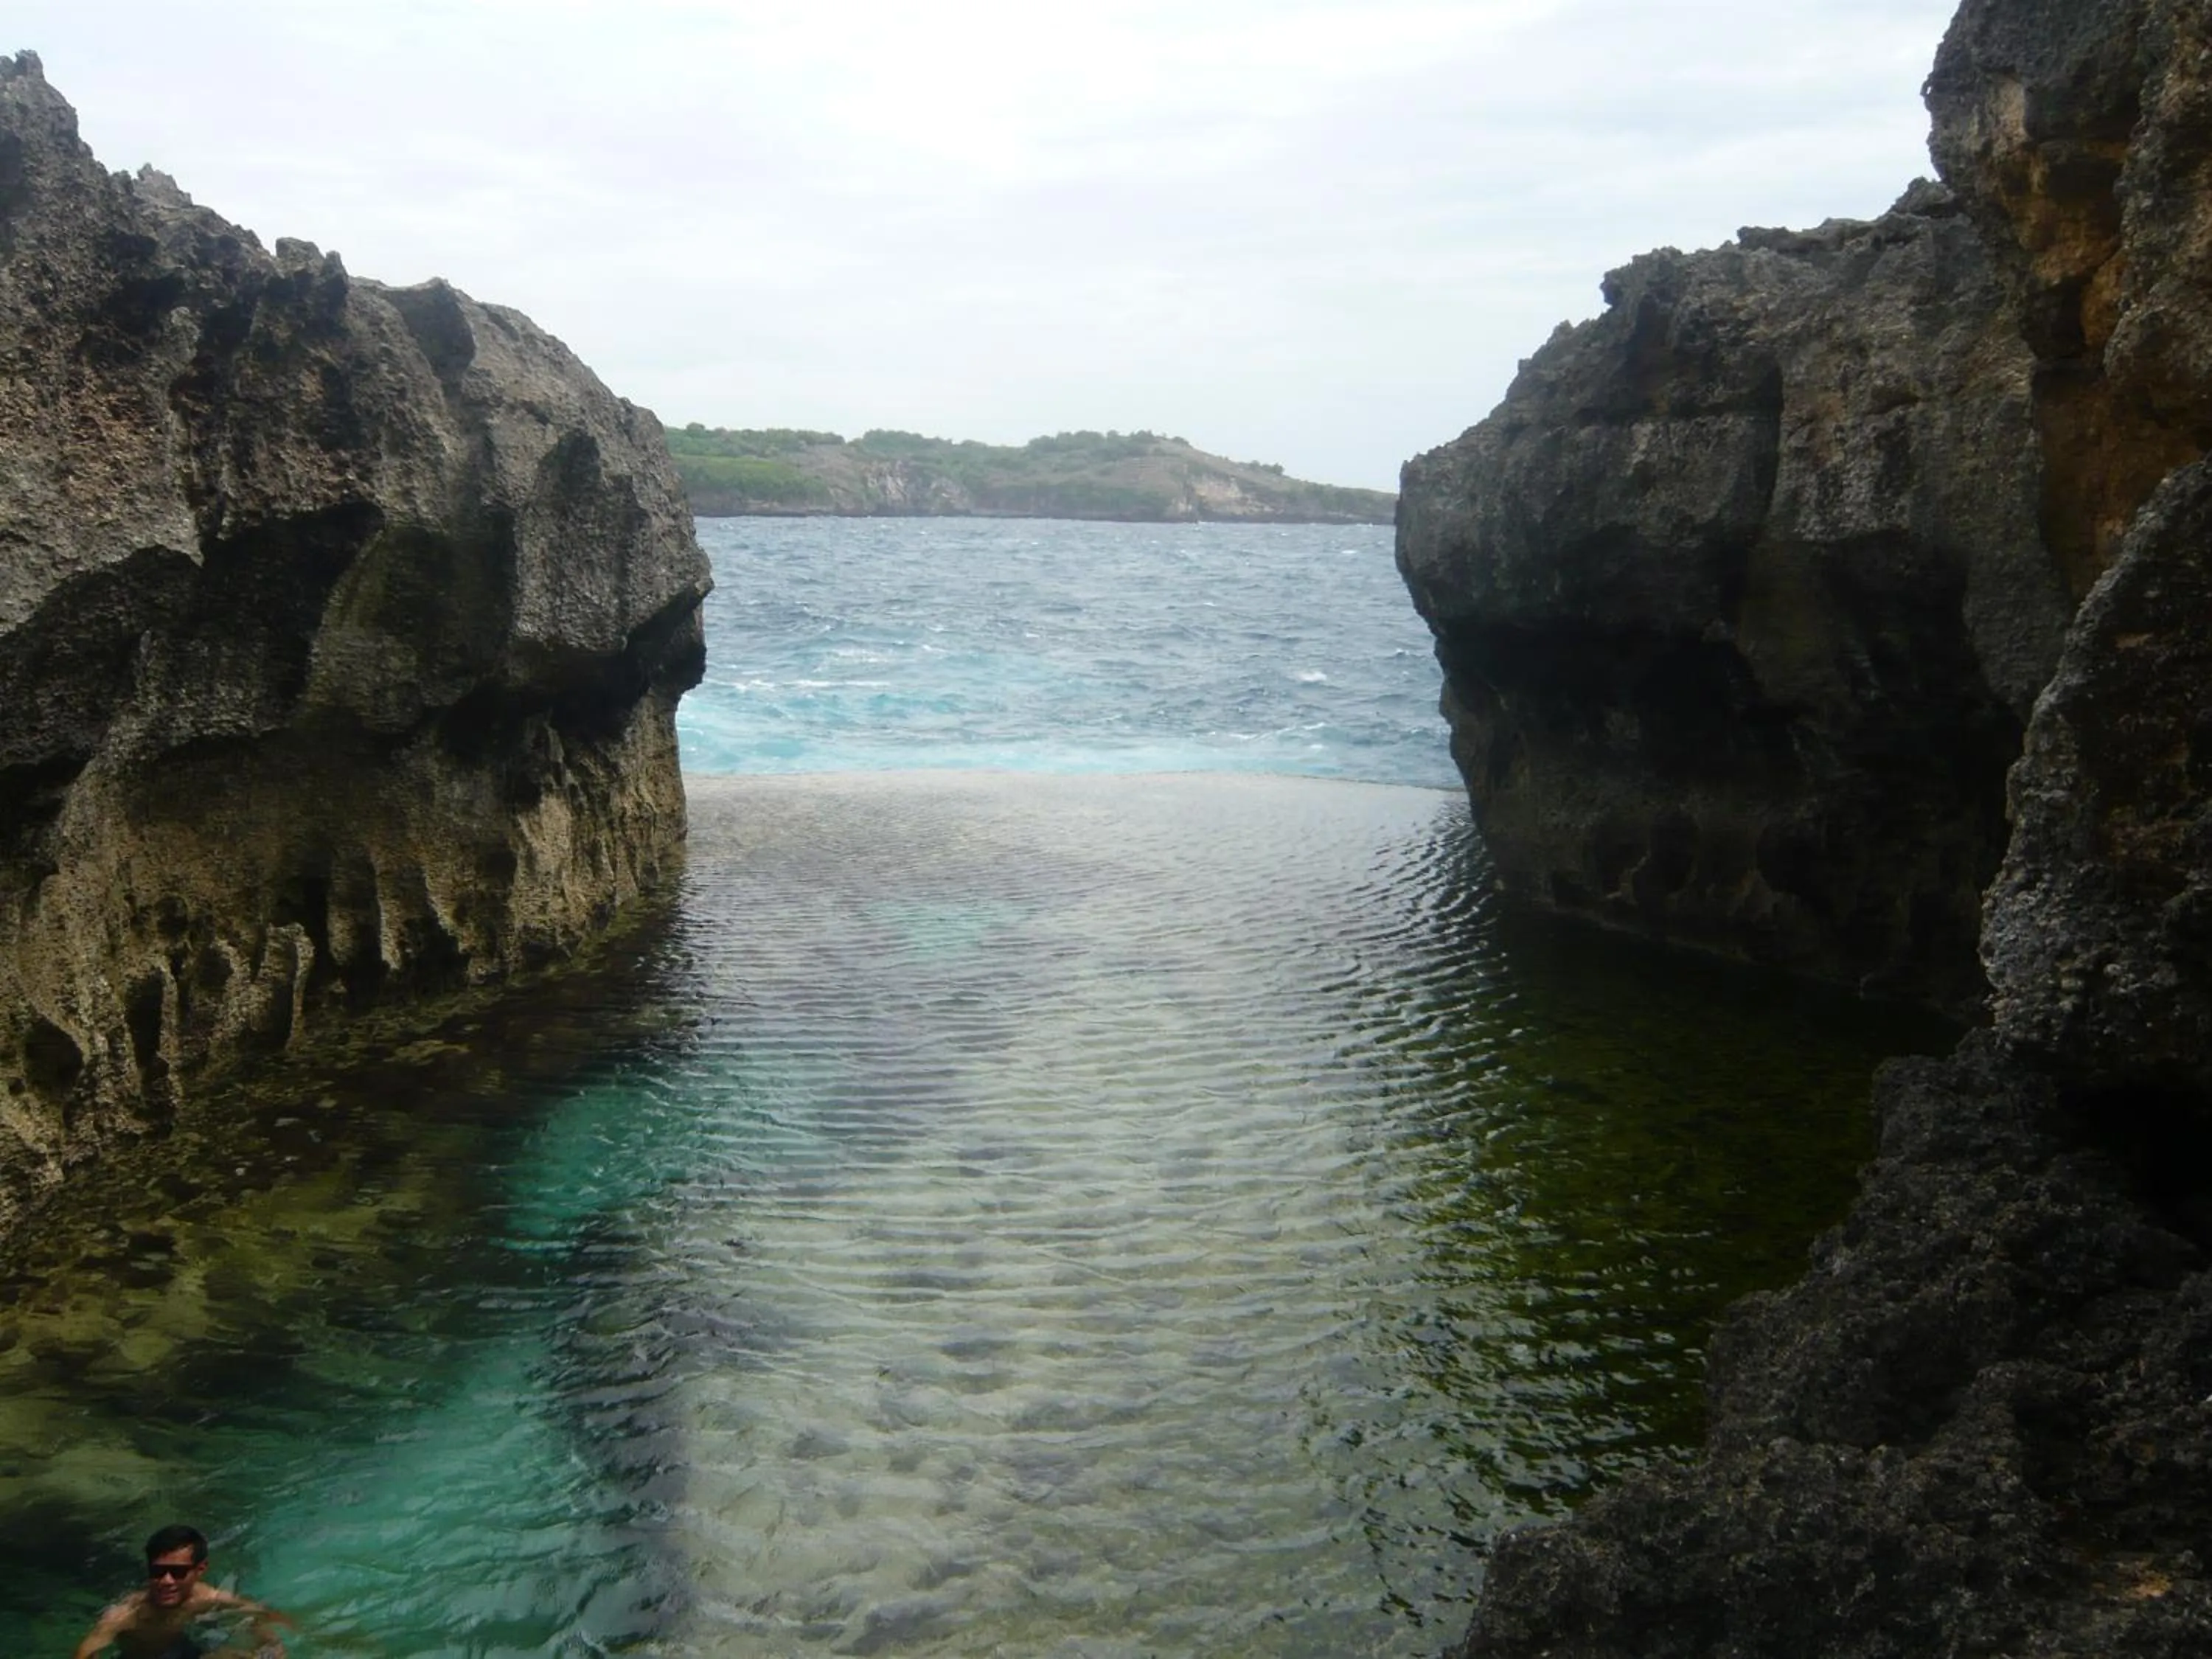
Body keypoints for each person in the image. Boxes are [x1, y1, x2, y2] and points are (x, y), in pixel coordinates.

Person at [71, 1526, 292, 1659]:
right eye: (158, 1571)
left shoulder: (205, 1597)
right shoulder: (127, 1615)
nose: (166, 1581)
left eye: (177, 1572)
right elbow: (85, 1651)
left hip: (184, 1650)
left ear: (200, 1570)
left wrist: (272, 1644)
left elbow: (262, 1614)